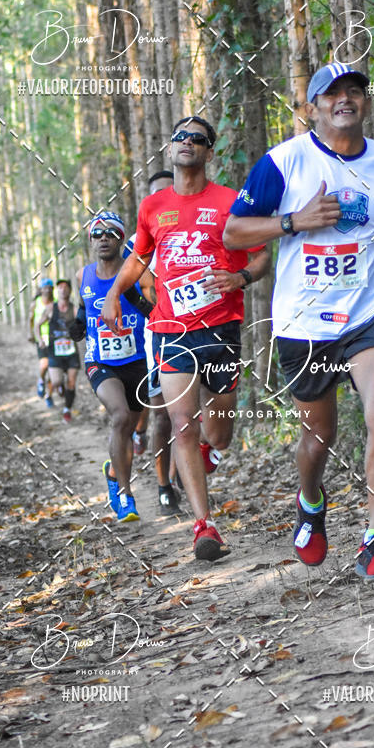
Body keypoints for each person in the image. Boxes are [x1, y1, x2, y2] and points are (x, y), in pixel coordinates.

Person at [223, 62, 374, 583]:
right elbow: (233, 233)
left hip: (370, 306)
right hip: (305, 319)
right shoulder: (283, 163)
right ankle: (311, 501)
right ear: (312, 107)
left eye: (354, 91)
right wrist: (294, 221)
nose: (345, 98)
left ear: (366, 102)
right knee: (319, 437)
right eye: (332, 92)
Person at [101, 116, 271, 561]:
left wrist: (240, 278)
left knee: (219, 433)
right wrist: (114, 294)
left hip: (221, 327)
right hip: (171, 329)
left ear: (210, 151)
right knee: (182, 424)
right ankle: (204, 526)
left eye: (197, 139)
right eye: (180, 136)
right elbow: (139, 258)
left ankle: (208, 449)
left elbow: (261, 256)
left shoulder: (231, 201)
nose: (187, 143)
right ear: (170, 148)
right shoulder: (153, 206)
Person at [76, 212, 155, 523]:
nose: (103, 238)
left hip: (136, 362)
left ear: (122, 238)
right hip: (100, 362)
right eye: (97, 234)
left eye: (111, 233)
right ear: (91, 241)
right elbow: (83, 309)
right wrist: (77, 324)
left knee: (128, 428)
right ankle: (125, 496)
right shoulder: (83, 275)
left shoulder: (138, 273)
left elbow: (156, 315)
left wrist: (133, 296)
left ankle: (113, 471)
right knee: (120, 417)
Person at [125, 169, 182, 517]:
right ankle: (164, 487)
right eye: (155, 194)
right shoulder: (138, 240)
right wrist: (152, 311)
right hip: (158, 334)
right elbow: (127, 286)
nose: (163, 199)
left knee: (195, 415)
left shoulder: (194, 228)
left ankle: (182, 473)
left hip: (199, 330)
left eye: (168, 191)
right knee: (163, 416)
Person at [37, 278, 79, 422]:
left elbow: (83, 325)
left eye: (66, 287)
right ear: (57, 291)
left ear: (70, 291)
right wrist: (40, 339)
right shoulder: (50, 308)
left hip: (71, 352)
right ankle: (58, 386)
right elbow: (37, 325)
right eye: (60, 287)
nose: (63, 289)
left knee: (71, 382)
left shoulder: (74, 309)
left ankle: (67, 410)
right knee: (55, 382)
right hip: (55, 352)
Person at [28, 278, 55, 408]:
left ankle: (49, 395)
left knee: (53, 370)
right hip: (41, 338)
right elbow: (30, 320)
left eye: (50, 287)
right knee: (44, 365)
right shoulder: (35, 303)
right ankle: (41, 381)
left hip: (55, 338)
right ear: (40, 289)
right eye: (45, 288)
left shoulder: (56, 302)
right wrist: (30, 334)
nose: (47, 290)